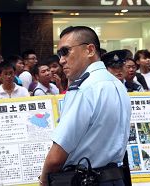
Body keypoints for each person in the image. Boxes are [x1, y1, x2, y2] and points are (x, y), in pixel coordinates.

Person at [40, 26, 131, 186]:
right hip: (115, 178)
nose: (61, 60)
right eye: (59, 54)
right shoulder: (116, 84)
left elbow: (56, 158)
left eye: (65, 51)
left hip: (86, 179)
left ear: (89, 50)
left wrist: (44, 181)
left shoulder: (84, 88)